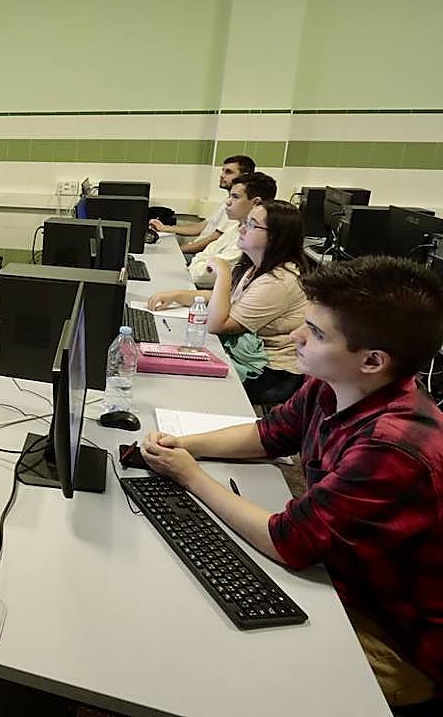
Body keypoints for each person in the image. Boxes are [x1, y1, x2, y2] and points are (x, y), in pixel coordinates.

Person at [141, 256, 443, 711]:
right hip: (344, 577)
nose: (297, 337)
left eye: (317, 334)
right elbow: (269, 435)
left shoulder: (394, 448)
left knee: (231, 667)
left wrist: (190, 475)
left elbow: (288, 542)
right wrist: (183, 443)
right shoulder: (331, 384)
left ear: (373, 361)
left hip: (396, 634)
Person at [148, 200, 307, 403]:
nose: (241, 229)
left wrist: (223, 272)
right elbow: (225, 299)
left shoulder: (279, 281)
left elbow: (218, 324)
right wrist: (176, 295)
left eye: (251, 225)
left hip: (270, 373)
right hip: (244, 356)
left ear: (275, 236)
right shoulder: (256, 266)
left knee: (180, 380)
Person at [185, 171, 277, 287]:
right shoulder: (235, 227)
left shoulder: (251, 239)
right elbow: (206, 253)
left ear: (256, 203)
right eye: (230, 196)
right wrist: (201, 261)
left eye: (235, 197)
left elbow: (201, 276)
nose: (228, 202)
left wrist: (200, 262)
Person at [150, 154, 255, 253]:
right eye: (222, 171)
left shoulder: (239, 208)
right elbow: (203, 226)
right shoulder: (227, 201)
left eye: (228, 172)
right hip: (199, 255)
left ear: (245, 176)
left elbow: (213, 239)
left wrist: (178, 251)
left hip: (202, 256)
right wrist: (165, 228)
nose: (222, 175)